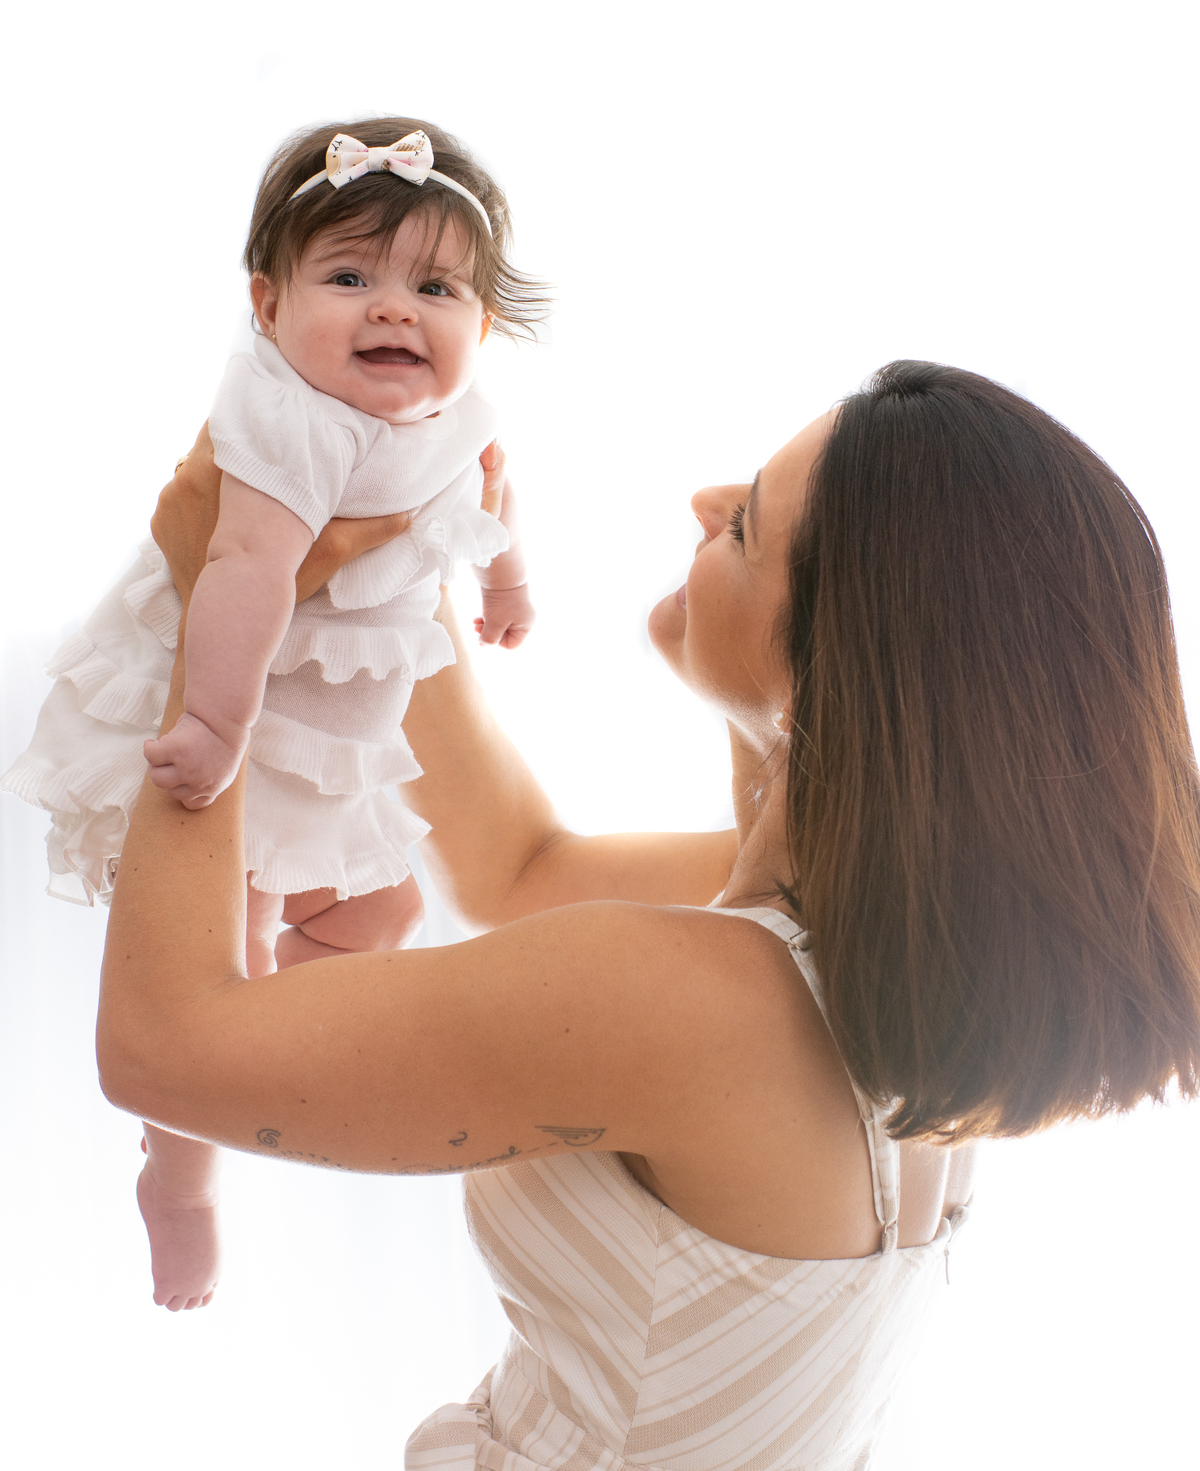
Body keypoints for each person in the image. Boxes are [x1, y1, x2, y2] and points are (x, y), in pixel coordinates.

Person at [96, 362, 1200, 1470]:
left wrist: (220, 620)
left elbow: (164, 1047)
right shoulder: (895, 929)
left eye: (748, 527)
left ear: (827, 662)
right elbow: (516, 869)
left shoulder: (709, 1002)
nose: (706, 502)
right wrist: (393, 544)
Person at [2, 116, 544, 1310]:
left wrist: (505, 583)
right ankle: (180, 1183)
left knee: (391, 904)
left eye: (435, 286)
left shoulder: (456, 411)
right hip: (230, 699)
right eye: (348, 278)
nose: (394, 310)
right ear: (266, 304)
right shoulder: (286, 421)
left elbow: (492, 478)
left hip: (336, 729)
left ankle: (273, 1044)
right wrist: (212, 726)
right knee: (222, 959)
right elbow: (243, 573)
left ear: (484, 321)